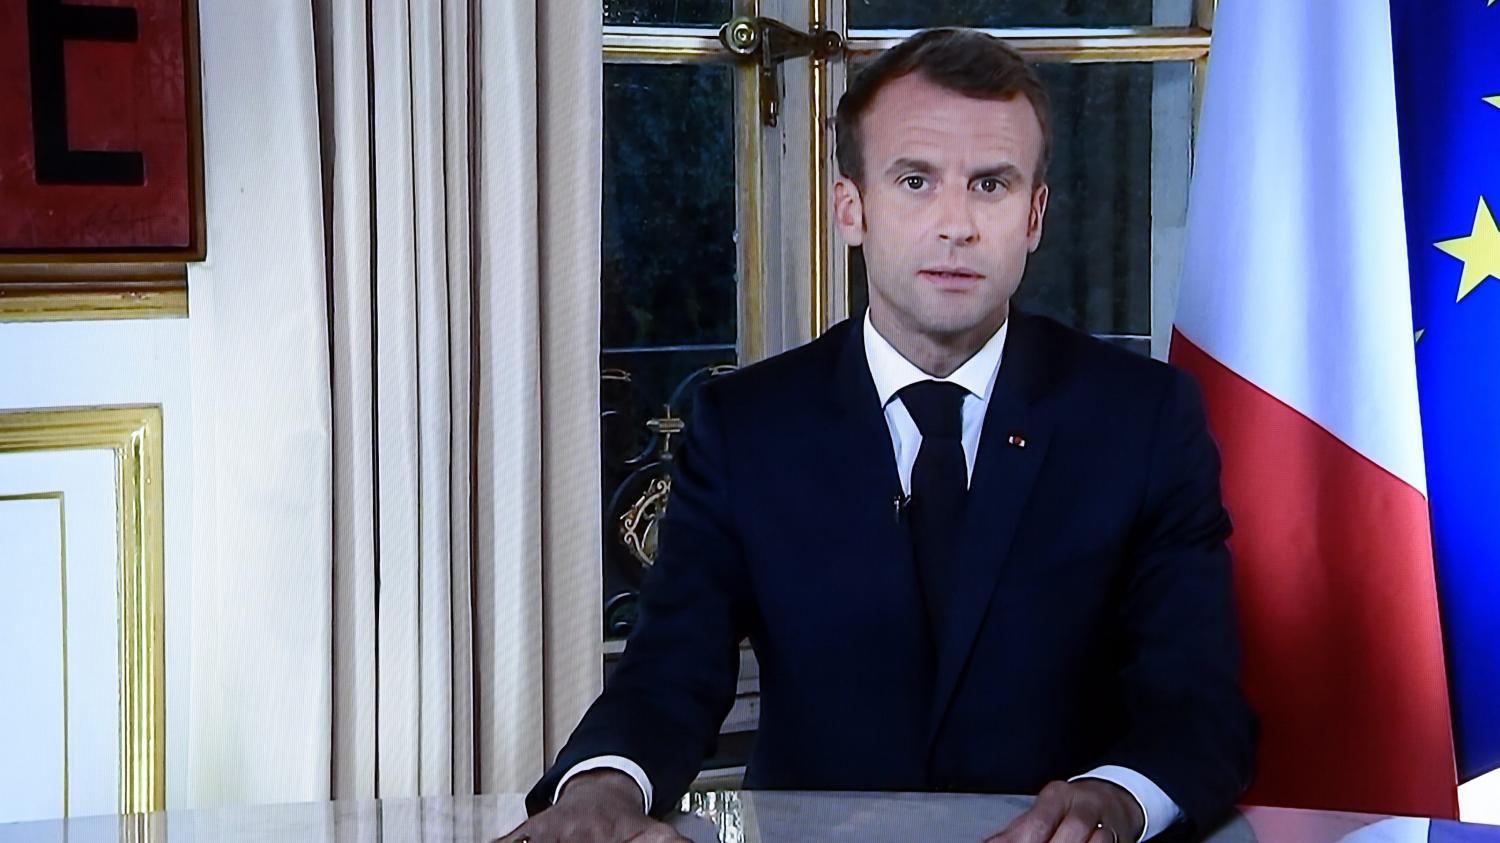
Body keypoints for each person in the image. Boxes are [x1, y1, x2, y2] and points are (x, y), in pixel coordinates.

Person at [498, 28, 1255, 843]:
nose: (956, 225)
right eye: (916, 180)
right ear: (850, 207)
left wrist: (1117, 800)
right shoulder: (747, 427)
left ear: (1034, 215)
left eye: (991, 184)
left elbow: (1196, 702)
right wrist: (602, 788)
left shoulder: (1143, 419)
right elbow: (668, 669)